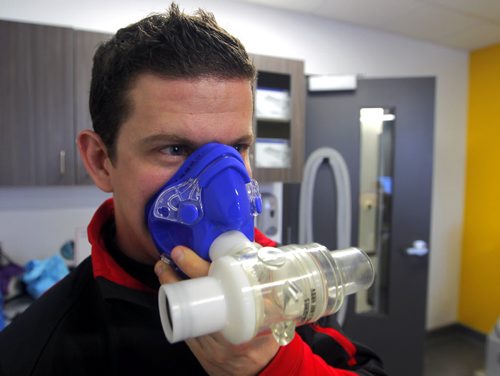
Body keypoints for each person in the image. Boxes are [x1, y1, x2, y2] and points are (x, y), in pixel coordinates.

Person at [0, 4, 386, 375]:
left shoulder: (280, 282)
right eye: (175, 149)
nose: (221, 193)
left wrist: (273, 367)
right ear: (102, 161)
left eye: (236, 149)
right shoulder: (38, 351)